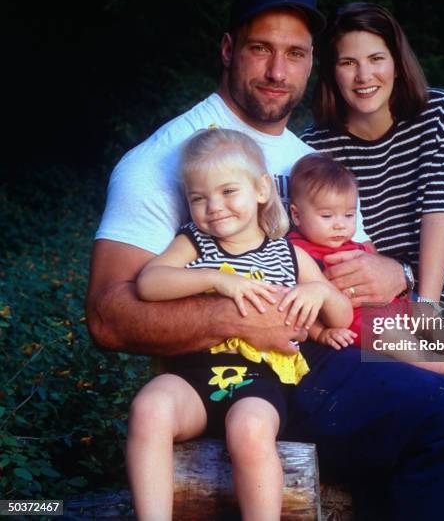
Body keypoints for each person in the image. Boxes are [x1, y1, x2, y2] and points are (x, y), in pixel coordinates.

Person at [86, 0, 444, 521]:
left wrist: (422, 308)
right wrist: (239, 317)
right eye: (260, 49)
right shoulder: (164, 159)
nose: (277, 70)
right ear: (228, 50)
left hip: (344, 341)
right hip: (263, 377)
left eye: (295, 53)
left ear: (311, 61)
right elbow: (108, 317)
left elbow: (364, 292)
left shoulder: (311, 162)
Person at [300, 1, 444, 519]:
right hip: (373, 316)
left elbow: (438, 211)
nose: (363, 76)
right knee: (438, 428)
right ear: (330, 73)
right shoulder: (316, 146)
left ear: (397, 62)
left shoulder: (436, 113)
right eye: (346, 62)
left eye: (376, 58)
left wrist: (421, 296)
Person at [129, 128, 352, 520]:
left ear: (261, 189)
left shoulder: (288, 254)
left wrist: (320, 294)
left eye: (228, 191)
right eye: (199, 198)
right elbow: (149, 282)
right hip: (193, 376)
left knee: (250, 431)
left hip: (261, 382)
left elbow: (342, 315)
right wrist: (215, 278)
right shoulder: (194, 242)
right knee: (149, 407)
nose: (214, 206)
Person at [287, 152, 444, 376]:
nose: (339, 225)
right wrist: (321, 333)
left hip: (388, 304)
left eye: (349, 215)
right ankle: (440, 366)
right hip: (356, 319)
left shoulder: (354, 244)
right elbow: (299, 305)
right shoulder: (298, 252)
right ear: (296, 215)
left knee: (424, 315)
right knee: (393, 336)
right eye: (327, 216)